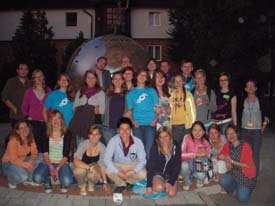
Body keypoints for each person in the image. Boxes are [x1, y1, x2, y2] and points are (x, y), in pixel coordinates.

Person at [33, 110, 73, 193]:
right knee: (37, 178)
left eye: (58, 118)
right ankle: (47, 179)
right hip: (48, 162)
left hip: (61, 163)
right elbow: (45, 153)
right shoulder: (45, 133)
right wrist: (51, 167)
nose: (55, 121)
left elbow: (66, 156)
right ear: (50, 120)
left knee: (67, 181)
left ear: (61, 120)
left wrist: (57, 168)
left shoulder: (67, 133)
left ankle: (61, 180)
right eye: (53, 119)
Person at [104, 117, 147, 190]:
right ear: (118, 130)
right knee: (108, 170)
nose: (125, 132)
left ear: (131, 130)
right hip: (118, 165)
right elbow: (107, 159)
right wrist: (118, 172)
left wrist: (133, 171)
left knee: (144, 174)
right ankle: (121, 184)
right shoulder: (113, 141)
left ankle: (129, 181)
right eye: (122, 129)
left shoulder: (138, 142)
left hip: (132, 164)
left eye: (127, 129)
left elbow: (143, 160)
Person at [125, 69, 159, 158]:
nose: (142, 77)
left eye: (144, 75)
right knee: (139, 150)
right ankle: (141, 170)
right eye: (140, 75)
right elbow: (130, 111)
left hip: (150, 124)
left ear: (147, 78)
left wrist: (155, 119)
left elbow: (158, 108)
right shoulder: (130, 93)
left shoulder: (151, 91)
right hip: (137, 125)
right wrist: (133, 121)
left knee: (149, 150)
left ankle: (149, 170)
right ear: (136, 76)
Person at [218, 125, 256, 202]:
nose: (231, 136)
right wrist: (226, 159)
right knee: (222, 180)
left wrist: (231, 161)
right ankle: (234, 189)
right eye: (228, 134)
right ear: (226, 136)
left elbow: (248, 165)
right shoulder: (228, 145)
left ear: (237, 134)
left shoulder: (245, 146)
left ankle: (244, 188)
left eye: (233, 133)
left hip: (246, 175)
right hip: (234, 172)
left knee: (243, 198)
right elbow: (219, 156)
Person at [241, 80, 269, 176]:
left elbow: (266, 114)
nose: (250, 87)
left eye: (252, 86)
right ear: (245, 89)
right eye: (248, 86)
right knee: (246, 152)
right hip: (244, 130)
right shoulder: (243, 101)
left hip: (256, 131)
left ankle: (254, 175)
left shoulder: (260, 101)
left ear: (256, 88)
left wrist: (264, 125)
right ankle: (245, 172)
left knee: (255, 154)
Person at [73, 125, 110, 196]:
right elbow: (76, 161)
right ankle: (82, 185)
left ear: (100, 136)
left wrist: (105, 182)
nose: (94, 137)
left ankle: (91, 183)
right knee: (78, 171)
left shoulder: (102, 147)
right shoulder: (83, 144)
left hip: (94, 166)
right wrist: (90, 168)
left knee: (94, 174)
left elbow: (102, 165)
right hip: (82, 166)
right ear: (88, 135)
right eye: (91, 134)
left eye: (96, 134)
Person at [71, 69, 105, 145]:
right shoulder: (80, 91)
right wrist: (80, 108)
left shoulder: (100, 92)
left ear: (96, 79)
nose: (90, 80)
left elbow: (102, 110)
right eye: (88, 78)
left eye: (93, 78)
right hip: (80, 122)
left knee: (91, 145)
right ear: (85, 79)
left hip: (92, 123)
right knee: (80, 145)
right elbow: (74, 106)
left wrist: (96, 109)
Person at [145, 126, 181, 197]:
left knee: (171, 194)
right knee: (159, 188)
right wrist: (148, 186)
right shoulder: (155, 147)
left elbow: (177, 165)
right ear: (158, 138)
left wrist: (171, 181)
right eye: (161, 137)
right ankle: (158, 182)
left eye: (166, 136)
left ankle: (171, 182)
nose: (163, 139)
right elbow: (151, 165)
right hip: (158, 172)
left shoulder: (176, 146)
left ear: (170, 136)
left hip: (170, 173)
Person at [22, 69, 51, 153]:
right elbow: (24, 106)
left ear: (43, 77)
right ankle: (35, 164)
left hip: (45, 122)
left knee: (46, 145)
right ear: (33, 78)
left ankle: (45, 163)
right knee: (35, 145)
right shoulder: (29, 91)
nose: (38, 78)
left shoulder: (48, 91)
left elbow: (52, 106)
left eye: (40, 76)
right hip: (33, 122)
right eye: (36, 77)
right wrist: (27, 116)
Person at [2, 120, 38, 189]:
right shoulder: (13, 141)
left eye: (26, 127)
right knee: (23, 176)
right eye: (21, 128)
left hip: (21, 160)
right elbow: (13, 160)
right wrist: (28, 165)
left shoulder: (30, 137)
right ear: (17, 131)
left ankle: (27, 177)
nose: (25, 129)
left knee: (40, 157)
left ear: (29, 128)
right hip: (9, 163)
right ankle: (11, 180)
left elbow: (34, 152)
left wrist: (30, 162)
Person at [181, 121, 211, 191]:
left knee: (201, 176)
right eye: (195, 130)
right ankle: (187, 182)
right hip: (188, 163)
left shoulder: (206, 142)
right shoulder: (187, 137)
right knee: (184, 165)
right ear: (191, 131)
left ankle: (199, 179)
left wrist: (204, 155)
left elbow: (208, 158)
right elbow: (181, 155)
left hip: (199, 164)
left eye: (200, 130)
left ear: (204, 132)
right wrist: (195, 154)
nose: (197, 133)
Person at [1, 63, 30, 128]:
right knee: (16, 136)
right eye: (21, 69)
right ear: (17, 70)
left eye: (25, 69)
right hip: (16, 116)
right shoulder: (11, 82)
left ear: (28, 71)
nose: (23, 71)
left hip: (29, 116)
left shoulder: (30, 83)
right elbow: (4, 96)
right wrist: (13, 108)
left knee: (28, 136)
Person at [170, 74, 196, 144]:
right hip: (174, 126)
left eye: (180, 81)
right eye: (176, 81)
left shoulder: (188, 94)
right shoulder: (171, 95)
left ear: (183, 82)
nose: (178, 83)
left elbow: (192, 112)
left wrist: (192, 126)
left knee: (186, 146)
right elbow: (170, 110)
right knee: (176, 146)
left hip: (186, 125)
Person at [102, 72, 127, 144]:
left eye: (120, 79)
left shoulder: (127, 95)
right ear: (112, 81)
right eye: (115, 79)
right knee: (110, 152)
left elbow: (129, 111)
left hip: (122, 128)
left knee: (120, 152)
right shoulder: (106, 95)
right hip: (107, 127)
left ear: (123, 81)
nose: (117, 81)